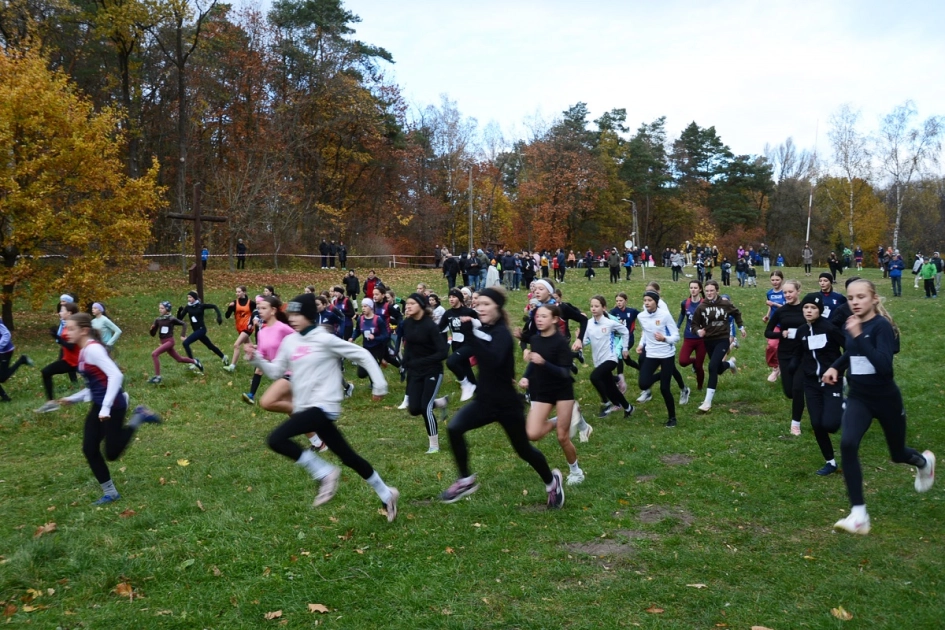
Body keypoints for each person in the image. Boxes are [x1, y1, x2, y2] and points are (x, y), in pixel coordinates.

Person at [247, 293, 400, 521]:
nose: (293, 319)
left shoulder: (324, 339)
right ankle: (387, 493)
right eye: (291, 314)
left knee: (276, 439)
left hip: (324, 406)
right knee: (348, 457)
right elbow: (276, 372)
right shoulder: (291, 341)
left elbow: (363, 355)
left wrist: (379, 385)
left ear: (309, 315)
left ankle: (325, 472)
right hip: (306, 407)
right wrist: (257, 358)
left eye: (298, 314)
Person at [822, 280, 935, 534]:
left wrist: (859, 335)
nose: (855, 302)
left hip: (885, 399)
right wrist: (836, 367)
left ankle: (923, 462)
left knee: (897, 454)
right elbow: (852, 352)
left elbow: (884, 367)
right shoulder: (853, 324)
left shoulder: (880, 326)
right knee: (848, 444)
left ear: (873, 299)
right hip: (858, 398)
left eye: (861, 297)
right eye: (851, 298)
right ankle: (859, 514)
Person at [439, 288, 565, 508]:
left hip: (507, 405)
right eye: (479, 304)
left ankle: (551, 482)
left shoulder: (502, 334)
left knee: (524, 450)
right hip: (484, 401)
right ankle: (465, 479)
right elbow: (472, 347)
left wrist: (469, 333)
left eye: (487, 304)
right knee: (454, 428)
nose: (481, 308)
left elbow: (493, 360)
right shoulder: (483, 329)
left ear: (497, 307)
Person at [57, 312, 162, 504]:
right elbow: (95, 385)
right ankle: (111, 493)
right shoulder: (83, 351)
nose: (66, 332)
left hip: (112, 405)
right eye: (66, 328)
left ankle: (138, 416)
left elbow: (116, 376)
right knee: (89, 449)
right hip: (99, 405)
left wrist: (105, 408)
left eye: (71, 328)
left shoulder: (93, 350)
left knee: (112, 453)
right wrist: (73, 398)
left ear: (84, 330)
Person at [520, 304, 586, 484]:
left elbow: (565, 372)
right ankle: (560, 420)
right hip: (543, 389)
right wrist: (526, 377)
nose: (539, 319)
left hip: (562, 390)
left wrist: (543, 363)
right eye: (537, 316)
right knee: (532, 433)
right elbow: (534, 362)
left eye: (544, 316)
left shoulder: (560, 342)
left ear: (555, 319)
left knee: (562, 436)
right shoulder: (536, 339)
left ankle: (576, 472)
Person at [794, 293, 844, 476]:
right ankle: (830, 462)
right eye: (806, 307)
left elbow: (847, 348)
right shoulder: (801, 331)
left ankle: (845, 405)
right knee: (816, 423)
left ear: (820, 311)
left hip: (831, 380)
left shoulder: (829, 328)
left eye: (813, 308)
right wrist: (792, 365)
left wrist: (839, 370)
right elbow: (799, 353)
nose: (809, 311)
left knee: (830, 424)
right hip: (811, 383)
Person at [400, 293, 449, 453]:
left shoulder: (430, 326)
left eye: (411, 303)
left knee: (425, 408)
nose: (407, 306)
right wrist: (404, 363)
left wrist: (420, 362)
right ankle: (440, 403)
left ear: (421, 305)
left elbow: (443, 352)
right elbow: (408, 345)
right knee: (414, 409)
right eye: (407, 304)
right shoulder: (407, 323)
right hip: (415, 371)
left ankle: (434, 445)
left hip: (432, 370)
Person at [690, 281, 746, 413]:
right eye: (707, 291)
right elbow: (694, 325)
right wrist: (698, 331)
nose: (709, 293)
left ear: (717, 291)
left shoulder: (725, 304)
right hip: (708, 341)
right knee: (718, 369)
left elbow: (737, 313)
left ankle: (707, 402)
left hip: (722, 339)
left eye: (712, 291)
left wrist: (741, 327)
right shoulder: (701, 307)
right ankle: (730, 364)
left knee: (712, 367)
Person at [764, 280, 806, 436]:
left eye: (790, 292)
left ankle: (795, 424)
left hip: (802, 354)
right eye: (785, 293)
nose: (787, 295)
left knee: (797, 389)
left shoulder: (806, 309)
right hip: (785, 354)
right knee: (789, 392)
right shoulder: (782, 311)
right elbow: (767, 332)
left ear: (798, 291)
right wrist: (781, 334)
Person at [636, 290, 683, 427]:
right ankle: (664, 374)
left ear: (656, 302)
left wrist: (664, 339)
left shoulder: (665, 315)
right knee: (643, 384)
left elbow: (676, 336)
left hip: (666, 354)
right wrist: (641, 344)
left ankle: (672, 418)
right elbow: (646, 331)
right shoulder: (641, 316)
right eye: (645, 301)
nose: (646, 303)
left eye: (649, 300)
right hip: (651, 354)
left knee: (664, 389)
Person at [584, 295, 635, 419]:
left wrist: (625, 348)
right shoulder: (588, 324)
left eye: (597, 306)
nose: (593, 309)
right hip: (598, 361)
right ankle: (629, 408)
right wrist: (579, 343)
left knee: (594, 377)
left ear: (604, 308)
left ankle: (606, 403)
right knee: (611, 388)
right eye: (592, 306)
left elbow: (625, 331)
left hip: (611, 359)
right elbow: (585, 340)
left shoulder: (610, 323)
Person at [243, 296, 294, 405]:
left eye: (264, 308)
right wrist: (252, 353)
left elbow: (300, 341)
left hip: (293, 373)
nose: (260, 311)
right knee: (292, 407)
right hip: (279, 374)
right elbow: (262, 356)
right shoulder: (262, 332)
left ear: (273, 310)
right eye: (259, 308)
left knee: (267, 402)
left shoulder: (282, 328)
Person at [36, 302, 81, 413]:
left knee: (97, 381)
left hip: (77, 362)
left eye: (62, 310)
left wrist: (58, 337)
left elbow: (70, 345)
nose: (59, 312)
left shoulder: (73, 325)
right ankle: (51, 403)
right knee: (46, 372)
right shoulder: (67, 324)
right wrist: (57, 336)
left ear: (69, 313)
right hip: (69, 361)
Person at [148, 301, 200, 383]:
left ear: (167, 309)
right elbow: (153, 334)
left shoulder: (171, 319)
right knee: (179, 359)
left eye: (162, 308)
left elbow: (184, 324)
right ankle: (195, 361)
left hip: (170, 341)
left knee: (154, 354)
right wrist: (152, 329)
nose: (160, 310)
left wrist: (183, 335)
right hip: (163, 342)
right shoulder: (158, 320)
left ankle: (157, 377)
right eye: (159, 308)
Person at [177, 291, 227, 366]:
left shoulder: (201, 306)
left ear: (195, 298)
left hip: (201, 329)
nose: (189, 299)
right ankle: (223, 357)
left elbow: (214, 306)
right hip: (196, 330)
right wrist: (179, 311)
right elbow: (179, 319)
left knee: (186, 343)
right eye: (188, 297)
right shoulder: (188, 307)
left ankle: (193, 363)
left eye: (190, 297)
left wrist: (219, 316)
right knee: (210, 346)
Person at [677, 280, 706, 394]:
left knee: (699, 366)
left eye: (695, 288)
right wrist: (678, 326)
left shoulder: (704, 303)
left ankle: (700, 387)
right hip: (688, 337)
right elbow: (682, 314)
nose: (693, 290)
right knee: (682, 361)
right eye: (691, 288)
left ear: (700, 289)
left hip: (702, 340)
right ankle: (693, 361)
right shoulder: (685, 303)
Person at [0, 316, 33, 402]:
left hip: (5, 351)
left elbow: (6, 334)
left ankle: (22, 360)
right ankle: (5, 398)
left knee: (2, 378)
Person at [224, 286, 254, 372]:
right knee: (249, 346)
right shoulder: (234, 303)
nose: (237, 293)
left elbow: (256, 313)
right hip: (239, 328)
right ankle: (260, 358)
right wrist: (230, 308)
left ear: (244, 292)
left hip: (248, 327)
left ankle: (232, 366)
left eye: (239, 292)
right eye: (236, 292)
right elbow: (227, 316)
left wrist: (251, 323)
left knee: (236, 345)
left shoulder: (251, 303)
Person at [763, 271, 786, 383]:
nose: (775, 282)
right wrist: (767, 316)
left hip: (787, 323)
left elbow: (788, 307)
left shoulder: (786, 292)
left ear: (782, 279)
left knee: (783, 348)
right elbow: (770, 307)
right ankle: (775, 367)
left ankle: (782, 367)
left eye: (777, 279)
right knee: (771, 346)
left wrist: (774, 304)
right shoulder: (769, 293)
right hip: (775, 323)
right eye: (773, 280)